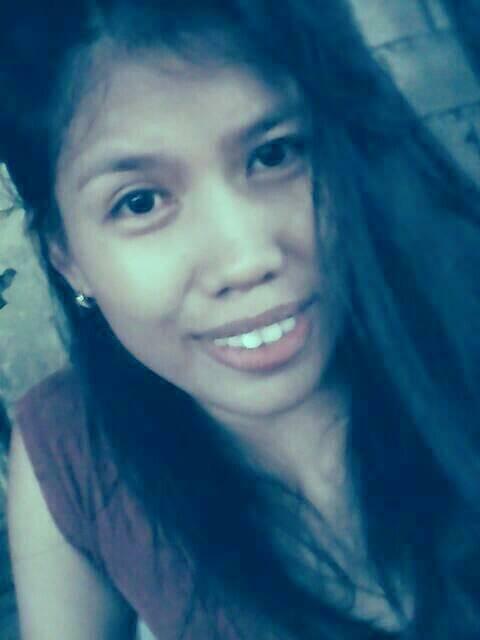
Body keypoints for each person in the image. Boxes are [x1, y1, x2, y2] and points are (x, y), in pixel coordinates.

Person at [1, 1, 479, 638]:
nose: (247, 258)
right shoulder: (71, 453)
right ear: (68, 259)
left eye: (274, 155)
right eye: (139, 202)